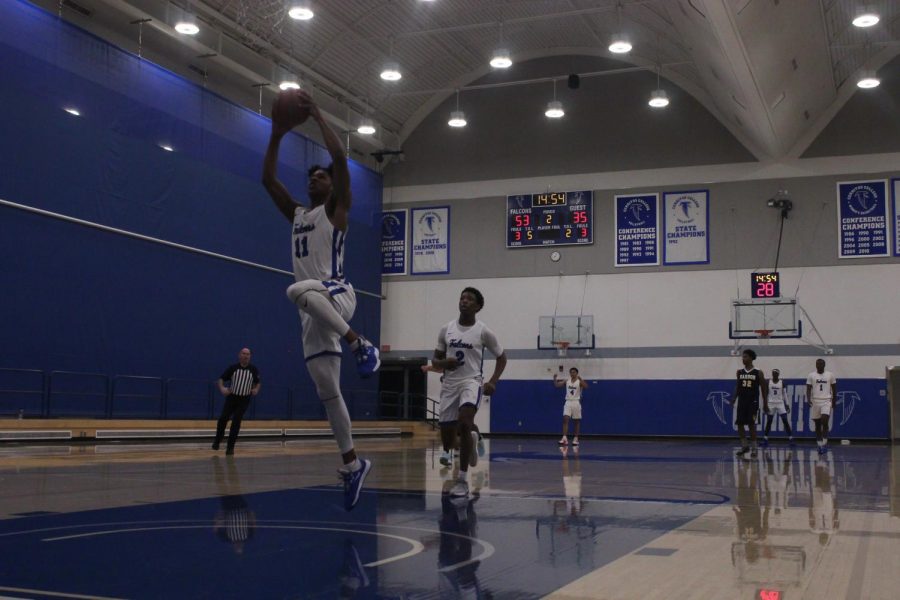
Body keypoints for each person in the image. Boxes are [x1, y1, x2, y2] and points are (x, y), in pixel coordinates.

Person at [262, 89, 378, 510]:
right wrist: (276, 135)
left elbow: (342, 161)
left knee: (296, 289)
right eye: (311, 175)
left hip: (338, 295)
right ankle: (352, 464)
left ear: (332, 187)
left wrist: (319, 116)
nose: (314, 177)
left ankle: (359, 343)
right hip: (315, 315)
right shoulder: (296, 214)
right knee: (329, 392)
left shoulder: (337, 210)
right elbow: (267, 181)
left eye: (321, 176)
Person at [430, 287, 507, 497]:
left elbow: (502, 357)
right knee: (447, 442)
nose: (464, 301)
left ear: (478, 306)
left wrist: (492, 381)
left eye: (469, 299)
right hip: (449, 385)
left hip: (471, 382)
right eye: (462, 298)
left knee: (464, 421)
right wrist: (444, 362)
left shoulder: (483, 331)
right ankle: (471, 440)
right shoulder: (446, 329)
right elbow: (435, 361)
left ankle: (462, 480)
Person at [213, 347, 260, 455]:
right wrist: (222, 388)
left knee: (236, 421)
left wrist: (256, 389)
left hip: (244, 399)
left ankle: (230, 447)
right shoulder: (233, 368)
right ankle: (217, 440)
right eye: (243, 353)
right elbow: (221, 379)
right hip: (232, 398)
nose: (245, 356)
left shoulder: (253, 369)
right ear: (239, 355)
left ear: (250, 356)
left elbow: (258, 382)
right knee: (223, 418)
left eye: (248, 354)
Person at [731, 349, 768, 459]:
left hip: (753, 402)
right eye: (743, 357)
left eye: (746, 356)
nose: (743, 359)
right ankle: (744, 446)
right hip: (742, 401)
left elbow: (764, 388)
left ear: (751, 358)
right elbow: (737, 386)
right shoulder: (740, 372)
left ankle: (754, 448)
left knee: (752, 425)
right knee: (740, 424)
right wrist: (734, 398)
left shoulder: (758, 372)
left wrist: (765, 403)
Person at [806, 359, 837, 455]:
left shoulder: (830, 375)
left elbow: (834, 388)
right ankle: (820, 445)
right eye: (817, 364)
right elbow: (808, 388)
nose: (818, 365)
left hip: (826, 401)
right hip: (815, 401)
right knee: (817, 425)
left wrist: (834, 401)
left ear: (824, 365)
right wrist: (808, 398)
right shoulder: (811, 375)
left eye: (820, 364)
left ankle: (824, 442)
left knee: (824, 420)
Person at [554, 367, 588, 446]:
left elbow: (586, 386)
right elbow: (557, 385)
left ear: (576, 373)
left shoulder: (579, 381)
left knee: (576, 421)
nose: (572, 374)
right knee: (565, 419)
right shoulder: (567, 381)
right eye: (571, 372)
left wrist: (581, 379)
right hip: (568, 402)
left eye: (573, 372)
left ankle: (576, 438)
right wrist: (555, 379)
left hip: (576, 402)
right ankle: (564, 438)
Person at [761, 368, 794, 447]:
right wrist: (765, 404)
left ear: (778, 374)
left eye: (775, 373)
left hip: (780, 403)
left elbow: (785, 394)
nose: (774, 374)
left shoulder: (782, 382)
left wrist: (787, 404)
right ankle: (765, 439)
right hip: (771, 403)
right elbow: (765, 394)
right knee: (769, 421)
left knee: (785, 420)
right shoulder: (768, 382)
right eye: (773, 373)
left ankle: (791, 438)